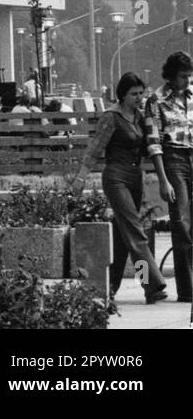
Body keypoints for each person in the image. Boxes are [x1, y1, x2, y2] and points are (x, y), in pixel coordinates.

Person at [71, 71, 165, 304]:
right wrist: (80, 179)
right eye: (134, 94)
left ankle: (108, 288)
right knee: (135, 231)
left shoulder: (141, 117)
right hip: (116, 177)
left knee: (124, 236)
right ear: (122, 95)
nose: (139, 98)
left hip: (135, 178)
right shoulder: (111, 117)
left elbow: (150, 145)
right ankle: (152, 285)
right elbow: (94, 149)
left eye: (141, 93)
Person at [145, 51, 193, 303]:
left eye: (189, 76)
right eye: (183, 77)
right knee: (182, 223)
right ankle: (187, 290)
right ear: (171, 76)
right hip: (174, 159)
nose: (187, 81)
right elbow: (154, 143)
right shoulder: (156, 101)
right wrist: (163, 180)